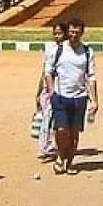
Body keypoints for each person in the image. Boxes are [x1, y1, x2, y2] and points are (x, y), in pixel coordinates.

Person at [45, 18, 98, 175]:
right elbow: (48, 72)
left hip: (80, 97)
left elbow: (91, 77)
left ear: (82, 33)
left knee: (74, 133)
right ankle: (61, 156)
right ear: (67, 32)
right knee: (61, 130)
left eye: (77, 32)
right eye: (71, 32)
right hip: (60, 96)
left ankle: (70, 161)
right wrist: (51, 91)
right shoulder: (58, 50)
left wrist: (94, 100)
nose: (73, 35)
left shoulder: (87, 52)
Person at [32, 21, 65, 162]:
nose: (57, 36)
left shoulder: (69, 50)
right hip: (48, 88)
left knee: (54, 119)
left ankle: (53, 146)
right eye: (55, 33)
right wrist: (38, 91)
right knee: (47, 117)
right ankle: (46, 147)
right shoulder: (50, 50)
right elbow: (44, 70)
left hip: (61, 88)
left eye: (60, 33)